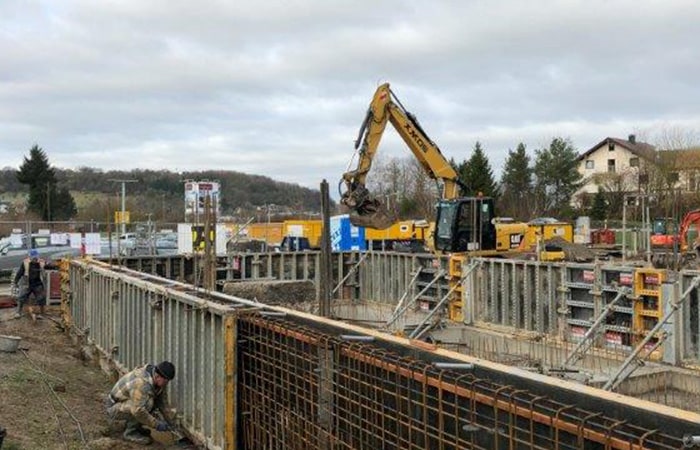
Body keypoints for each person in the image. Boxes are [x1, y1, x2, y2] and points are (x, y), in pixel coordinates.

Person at [105, 361, 177, 445]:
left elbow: (162, 403)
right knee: (147, 405)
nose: (166, 383)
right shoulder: (142, 384)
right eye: (166, 381)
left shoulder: (156, 378)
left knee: (149, 403)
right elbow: (138, 410)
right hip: (113, 408)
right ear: (158, 377)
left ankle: (136, 426)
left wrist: (170, 421)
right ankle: (130, 433)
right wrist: (157, 425)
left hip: (126, 402)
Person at [14, 248, 56, 320]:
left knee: (41, 298)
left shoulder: (41, 262)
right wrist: (16, 281)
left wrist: (55, 265)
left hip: (38, 283)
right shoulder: (25, 262)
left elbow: (49, 266)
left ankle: (42, 313)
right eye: (33, 257)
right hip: (27, 283)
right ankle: (18, 312)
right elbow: (20, 273)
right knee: (21, 297)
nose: (34, 258)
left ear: (37, 256)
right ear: (29, 257)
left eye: (36, 257)